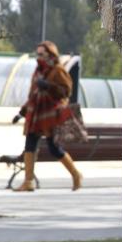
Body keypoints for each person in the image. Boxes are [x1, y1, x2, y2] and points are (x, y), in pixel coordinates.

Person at [12, 40, 83, 192]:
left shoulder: (58, 70)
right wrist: (21, 113)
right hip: (36, 116)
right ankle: (28, 181)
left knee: (54, 148)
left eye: (42, 53)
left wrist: (49, 86)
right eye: (37, 54)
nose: (39, 56)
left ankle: (76, 174)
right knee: (29, 146)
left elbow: (66, 91)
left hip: (51, 116)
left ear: (50, 54)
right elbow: (33, 96)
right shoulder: (37, 72)